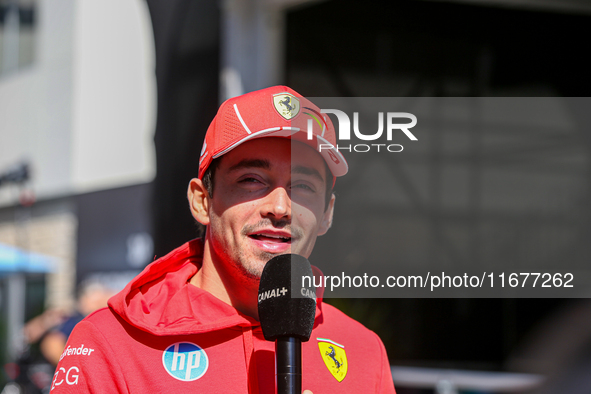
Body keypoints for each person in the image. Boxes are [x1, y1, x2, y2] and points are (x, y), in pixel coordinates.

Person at [50, 86, 396, 393]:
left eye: (303, 186)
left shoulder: (364, 350)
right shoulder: (112, 344)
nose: (279, 207)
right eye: (251, 180)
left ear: (327, 214)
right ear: (202, 201)